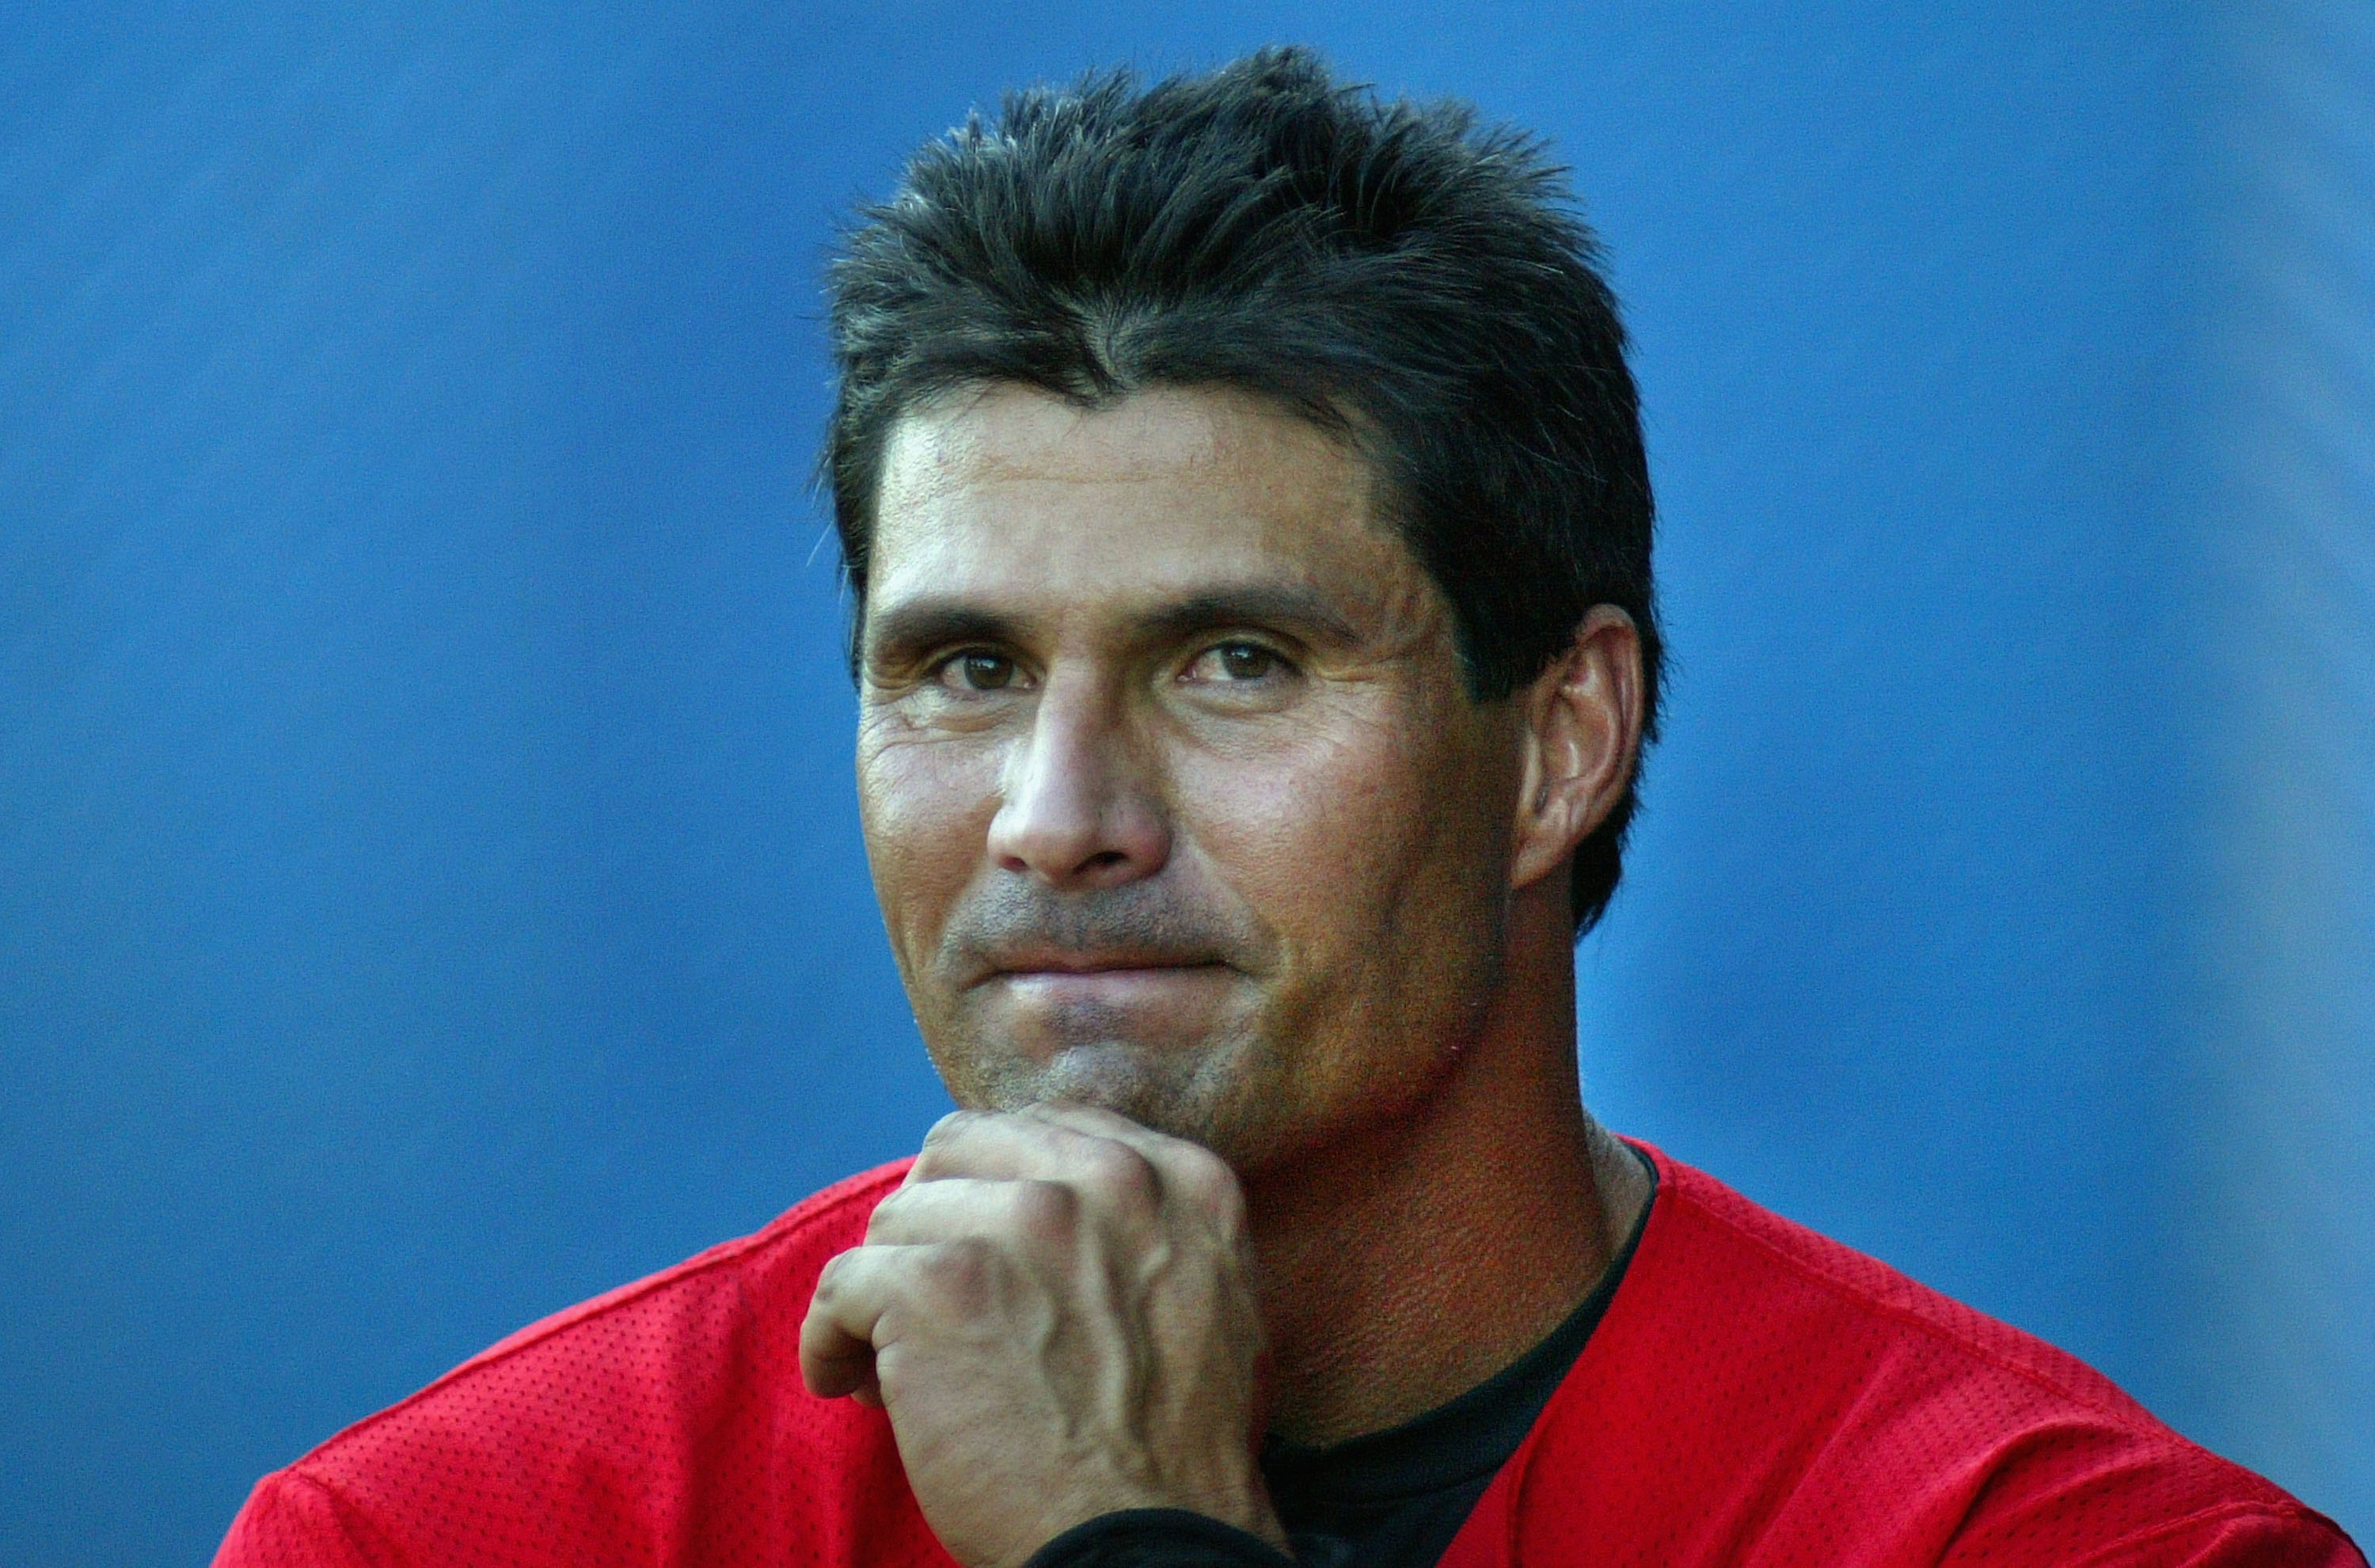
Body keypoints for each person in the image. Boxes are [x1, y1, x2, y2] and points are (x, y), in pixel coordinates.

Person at [215, 47, 2362, 1568]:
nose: (1057, 818)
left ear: (1563, 742)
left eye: (1234, 661)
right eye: (965, 671)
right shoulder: (466, 1534)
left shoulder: (2056, 1547)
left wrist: (1127, 1544)